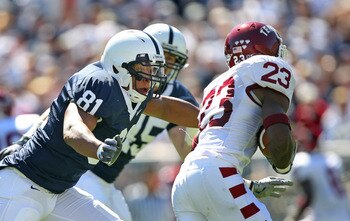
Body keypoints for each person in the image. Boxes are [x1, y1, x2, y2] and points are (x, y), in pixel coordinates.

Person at [0, 29, 199, 220]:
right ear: (119, 66)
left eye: (153, 69)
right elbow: (72, 129)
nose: (150, 75)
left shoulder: (131, 89)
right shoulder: (100, 83)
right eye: (143, 69)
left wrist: (211, 117)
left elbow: (165, 108)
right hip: (23, 184)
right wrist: (99, 148)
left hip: (60, 191)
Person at [171, 21, 297, 221]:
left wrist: (248, 185)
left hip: (185, 180)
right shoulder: (267, 68)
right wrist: (284, 162)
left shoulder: (214, 86)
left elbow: (203, 159)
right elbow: (278, 133)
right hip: (219, 171)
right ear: (263, 49)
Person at [75, 23, 197, 221]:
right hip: (81, 170)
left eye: (174, 60)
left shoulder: (178, 95)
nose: (166, 65)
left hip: (107, 179)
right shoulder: (115, 78)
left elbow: (184, 148)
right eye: (164, 56)